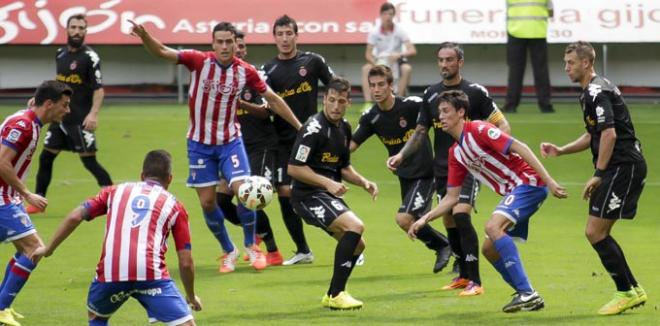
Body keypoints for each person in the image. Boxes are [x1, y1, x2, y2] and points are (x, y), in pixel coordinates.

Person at [129, 20, 301, 273]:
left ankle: (251, 247)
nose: (224, 46)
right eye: (219, 41)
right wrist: (145, 36)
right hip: (199, 144)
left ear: (235, 43)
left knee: (244, 193)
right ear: (213, 43)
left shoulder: (245, 71)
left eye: (229, 42)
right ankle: (228, 250)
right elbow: (164, 52)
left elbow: (273, 99)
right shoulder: (199, 61)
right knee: (209, 203)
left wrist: (300, 127)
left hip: (231, 142)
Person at [409, 90, 567, 313]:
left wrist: (549, 181)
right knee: (489, 250)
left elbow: (520, 147)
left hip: (529, 183)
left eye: (446, 111)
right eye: (439, 112)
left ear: (461, 112)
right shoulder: (456, 152)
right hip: (515, 191)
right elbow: (452, 198)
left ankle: (527, 293)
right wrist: (424, 219)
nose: (440, 116)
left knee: (492, 227)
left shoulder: (479, 129)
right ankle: (528, 293)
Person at [389, 42, 511, 296]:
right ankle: (463, 275)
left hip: (470, 165)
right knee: (449, 219)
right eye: (441, 60)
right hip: (444, 168)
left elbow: (503, 126)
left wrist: (485, 154)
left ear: (460, 62)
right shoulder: (432, 94)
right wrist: (401, 155)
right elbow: (421, 131)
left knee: (462, 213)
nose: (444, 64)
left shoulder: (475, 92)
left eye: (449, 60)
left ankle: (476, 281)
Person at [31, 150, 203, 326]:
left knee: (96, 315)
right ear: (170, 179)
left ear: (142, 175)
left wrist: (48, 248)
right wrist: (190, 296)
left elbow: (75, 217)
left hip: (111, 273)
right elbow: (186, 262)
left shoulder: (114, 192)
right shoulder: (175, 206)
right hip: (151, 274)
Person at [540, 41, 647, 315]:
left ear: (586, 63)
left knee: (595, 231)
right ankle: (632, 289)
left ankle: (625, 291)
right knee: (597, 231)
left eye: (571, 63)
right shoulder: (592, 90)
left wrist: (598, 174)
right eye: (565, 63)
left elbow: (609, 135)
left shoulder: (597, 92)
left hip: (622, 167)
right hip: (618, 167)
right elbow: (594, 135)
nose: (566, 68)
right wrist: (561, 150)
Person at [350, 65, 451, 274]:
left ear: (391, 85)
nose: (376, 90)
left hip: (426, 174)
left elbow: (440, 117)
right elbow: (350, 146)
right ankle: (451, 247)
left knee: (404, 218)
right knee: (409, 221)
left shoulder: (412, 105)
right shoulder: (371, 117)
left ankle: (443, 246)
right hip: (405, 177)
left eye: (380, 85)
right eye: (372, 86)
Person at [288, 77, 377, 310]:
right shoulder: (312, 129)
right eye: (331, 100)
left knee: (358, 245)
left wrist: (363, 182)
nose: (336, 106)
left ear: (348, 102)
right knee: (355, 227)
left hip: (325, 194)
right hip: (306, 196)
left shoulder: (345, 127)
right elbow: (294, 168)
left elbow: (343, 167)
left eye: (341, 101)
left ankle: (332, 295)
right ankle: (336, 294)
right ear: (324, 99)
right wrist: (327, 183)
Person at [262, 15, 334, 265]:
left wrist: (328, 120)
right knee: (285, 193)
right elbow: (267, 104)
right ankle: (303, 250)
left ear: (296, 35)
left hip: (312, 139)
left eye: (288, 33)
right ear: (274, 38)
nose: (284, 38)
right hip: (283, 141)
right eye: (279, 34)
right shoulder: (268, 70)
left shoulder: (313, 61)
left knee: (318, 192)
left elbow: (335, 88)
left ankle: (350, 238)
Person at [0, 80, 71, 326]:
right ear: (49, 104)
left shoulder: (33, 120)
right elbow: (1, 162)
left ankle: (2, 306)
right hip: (2, 197)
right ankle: (1, 308)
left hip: (8, 196)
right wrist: (28, 193)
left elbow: (34, 105)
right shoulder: (25, 125)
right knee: (34, 249)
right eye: (64, 105)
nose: (68, 110)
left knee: (25, 249)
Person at [27, 14, 113, 214]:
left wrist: (93, 114)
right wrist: (39, 98)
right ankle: (38, 203)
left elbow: (98, 89)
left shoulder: (90, 57)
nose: (77, 31)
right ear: (67, 29)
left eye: (81, 28)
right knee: (46, 157)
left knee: (89, 161)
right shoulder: (60, 54)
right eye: (73, 27)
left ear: (86, 31)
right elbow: (58, 85)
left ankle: (114, 198)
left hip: (79, 119)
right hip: (60, 118)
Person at [215, 30, 284, 268]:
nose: (239, 50)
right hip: (231, 146)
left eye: (242, 46)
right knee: (220, 202)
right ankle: (252, 231)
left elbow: (267, 110)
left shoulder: (256, 76)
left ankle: (272, 250)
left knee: (251, 198)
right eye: (237, 46)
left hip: (260, 145)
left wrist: (240, 102)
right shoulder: (221, 78)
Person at [361, 2, 416, 107]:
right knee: (365, 68)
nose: (388, 17)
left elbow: (412, 50)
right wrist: (375, 64)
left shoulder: (400, 31)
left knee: (407, 68)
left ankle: (399, 100)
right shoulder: (374, 32)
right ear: (381, 15)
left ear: (394, 16)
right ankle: (368, 102)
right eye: (386, 14)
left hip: (397, 60)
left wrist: (399, 55)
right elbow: (368, 54)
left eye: (391, 14)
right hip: (379, 61)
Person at [503, 0, 555, 113]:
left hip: (515, 31)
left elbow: (508, 10)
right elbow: (551, 12)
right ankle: (545, 105)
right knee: (541, 70)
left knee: (515, 70)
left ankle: (511, 105)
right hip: (538, 31)